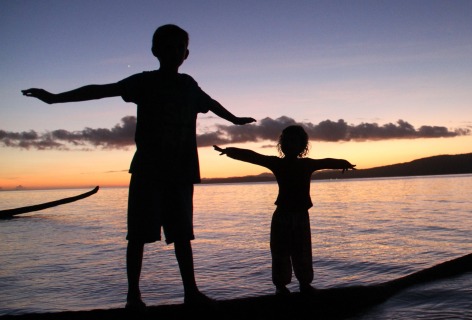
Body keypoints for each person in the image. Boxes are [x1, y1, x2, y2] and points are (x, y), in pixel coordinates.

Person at [22, 24, 256, 311]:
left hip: (181, 170)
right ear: (156, 51)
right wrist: (55, 97)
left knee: (182, 234)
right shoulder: (143, 82)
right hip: (148, 169)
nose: (174, 52)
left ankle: (191, 292)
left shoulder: (188, 85)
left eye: (178, 47)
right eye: (168, 46)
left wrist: (233, 119)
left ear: (187, 53)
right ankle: (133, 296)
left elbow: (211, 103)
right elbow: (100, 91)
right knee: (138, 235)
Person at [213, 125, 355, 295]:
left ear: (302, 146)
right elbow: (253, 157)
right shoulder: (277, 163)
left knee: (302, 251)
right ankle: (281, 287)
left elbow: (326, 162)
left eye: (294, 141)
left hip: (301, 216)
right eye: (286, 141)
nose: (290, 144)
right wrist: (230, 151)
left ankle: (304, 284)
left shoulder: (307, 164)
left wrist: (343, 163)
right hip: (282, 217)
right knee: (280, 252)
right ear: (282, 144)